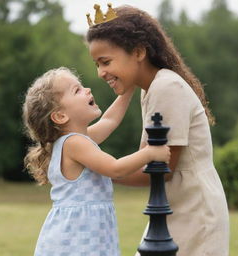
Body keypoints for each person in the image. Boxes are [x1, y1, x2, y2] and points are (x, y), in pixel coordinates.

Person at [86, 4, 229, 256]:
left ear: (139, 51)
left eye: (106, 62)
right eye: (97, 64)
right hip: (173, 209)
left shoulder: (166, 87)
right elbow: (145, 156)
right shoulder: (151, 89)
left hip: (194, 213)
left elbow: (161, 170)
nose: (100, 73)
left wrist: (97, 171)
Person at [22, 67, 170, 256]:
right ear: (60, 116)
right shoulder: (74, 144)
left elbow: (110, 120)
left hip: (84, 232)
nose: (88, 90)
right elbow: (115, 169)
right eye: (77, 90)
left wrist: (129, 87)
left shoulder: (76, 140)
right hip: (78, 237)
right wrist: (150, 153)